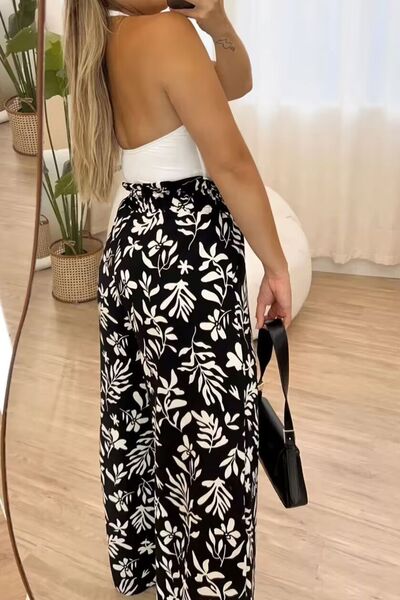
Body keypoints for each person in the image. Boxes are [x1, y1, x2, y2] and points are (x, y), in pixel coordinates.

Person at [64, 0, 292, 597]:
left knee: (145, 420)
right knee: (211, 433)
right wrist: (276, 265)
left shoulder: (110, 36)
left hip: (133, 248)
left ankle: (154, 568)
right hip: (183, 256)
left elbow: (234, 84)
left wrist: (218, 27)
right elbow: (231, 164)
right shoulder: (164, 31)